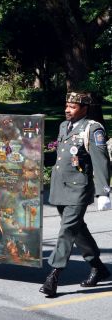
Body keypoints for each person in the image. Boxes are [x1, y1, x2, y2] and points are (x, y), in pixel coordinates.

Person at [40, 91, 111, 297]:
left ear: (84, 108)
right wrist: (35, 157)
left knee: (67, 230)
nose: (67, 110)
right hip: (60, 187)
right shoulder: (64, 126)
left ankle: (53, 275)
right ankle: (98, 267)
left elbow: (101, 162)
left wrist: (103, 192)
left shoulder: (93, 129)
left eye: (72, 107)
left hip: (78, 189)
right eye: (66, 106)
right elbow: (60, 156)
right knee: (77, 229)